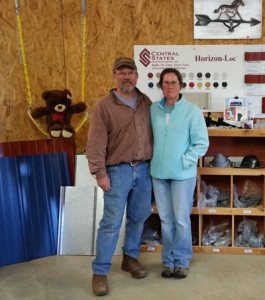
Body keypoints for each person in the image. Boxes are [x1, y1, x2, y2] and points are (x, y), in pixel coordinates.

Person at [86, 57, 153, 296]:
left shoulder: (145, 102)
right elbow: (95, 143)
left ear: (137, 75)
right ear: (114, 76)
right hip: (117, 171)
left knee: (138, 218)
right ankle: (100, 271)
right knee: (111, 223)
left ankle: (130, 258)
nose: (126, 77)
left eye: (130, 72)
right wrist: (99, 173)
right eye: (121, 72)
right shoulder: (104, 105)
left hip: (144, 170)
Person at [150, 68, 209, 279]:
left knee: (181, 220)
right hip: (158, 173)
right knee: (166, 220)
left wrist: (185, 160)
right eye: (165, 83)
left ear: (181, 85)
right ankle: (168, 261)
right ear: (161, 86)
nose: (170, 86)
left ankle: (182, 261)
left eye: (173, 82)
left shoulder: (192, 111)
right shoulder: (153, 110)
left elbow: (201, 143)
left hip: (183, 174)